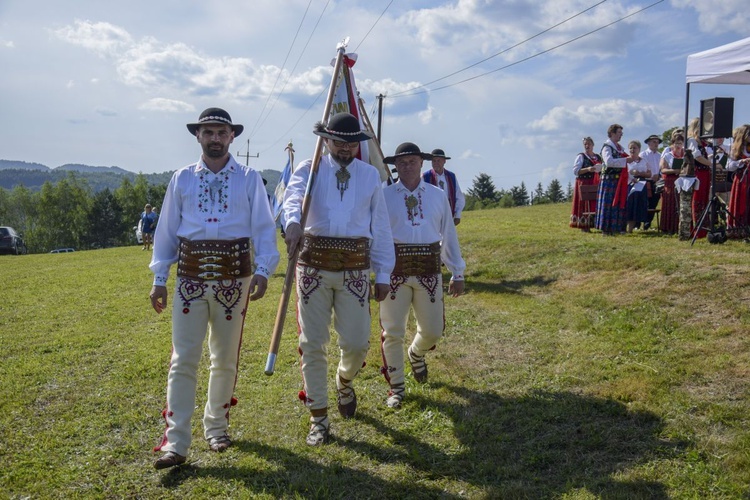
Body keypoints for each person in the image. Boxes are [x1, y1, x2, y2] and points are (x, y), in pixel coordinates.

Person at [148, 107, 280, 469]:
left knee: (224, 358)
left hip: (234, 279)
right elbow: (166, 231)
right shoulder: (182, 179)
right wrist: (160, 278)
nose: (215, 138)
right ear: (198, 136)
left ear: (232, 136)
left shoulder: (250, 178)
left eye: (221, 132)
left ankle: (217, 426)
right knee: (183, 359)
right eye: (208, 132)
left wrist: (265, 269)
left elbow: (264, 229)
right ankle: (175, 442)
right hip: (189, 279)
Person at [282, 112, 395, 446]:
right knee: (312, 343)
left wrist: (383, 271)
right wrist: (291, 223)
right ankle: (319, 417)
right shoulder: (310, 168)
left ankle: (344, 379)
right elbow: (292, 198)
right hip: (313, 267)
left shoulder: (370, 175)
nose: (344, 149)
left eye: (350, 143)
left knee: (358, 342)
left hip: (355, 269)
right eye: (338, 142)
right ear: (326, 140)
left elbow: (381, 225)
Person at [379, 143, 465, 408]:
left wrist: (457, 271)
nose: (407, 166)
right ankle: (396, 388)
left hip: (429, 268)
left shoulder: (438, 195)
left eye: (412, 161)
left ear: (422, 163)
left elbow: (448, 233)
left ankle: (416, 353)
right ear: (396, 166)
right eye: (402, 162)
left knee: (433, 330)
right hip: (395, 270)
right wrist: (378, 270)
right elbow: (379, 235)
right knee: (392, 332)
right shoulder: (384, 195)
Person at [596, 124, 639, 235]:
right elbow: (609, 162)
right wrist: (625, 160)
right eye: (619, 132)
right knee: (608, 204)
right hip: (608, 181)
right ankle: (606, 229)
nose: (621, 135)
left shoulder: (619, 148)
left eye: (621, 133)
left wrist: (631, 178)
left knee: (617, 204)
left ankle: (615, 228)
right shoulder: (607, 147)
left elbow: (623, 169)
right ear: (612, 133)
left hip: (618, 180)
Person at [422, 149, 466, 225]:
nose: (436, 163)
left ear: (444, 161)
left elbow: (459, 196)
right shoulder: (425, 177)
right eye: (434, 161)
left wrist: (457, 215)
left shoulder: (451, 176)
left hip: (448, 216)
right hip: (431, 218)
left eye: (438, 160)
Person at [687, 118, 714, 238]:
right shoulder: (691, 140)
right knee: (697, 200)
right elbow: (697, 157)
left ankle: (703, 227)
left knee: (704, 200)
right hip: (697, 173)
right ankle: (696, 228)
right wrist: (711, 163)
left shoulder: (703, 142)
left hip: (705, 173)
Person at [569, 137, 602, 231]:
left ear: (593, 144)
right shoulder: (581, 156)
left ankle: (595, 224)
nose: (587, 146)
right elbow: (576, 171)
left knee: (594, 203)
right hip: (584, 183)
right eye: (585, 144)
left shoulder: (598, 157)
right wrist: (588, 169)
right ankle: (584, 225)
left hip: (596, 182)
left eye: (589, 144)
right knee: (584, 204)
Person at [659, 133, 686, 235]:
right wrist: (674, 170)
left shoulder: (685, 155)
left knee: (680, 203)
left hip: (683, 180)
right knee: (670, 203)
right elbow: (663, 169)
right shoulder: (667, 155)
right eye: (676, 143)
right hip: (670, 181)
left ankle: (679, 227)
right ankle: (668, 227)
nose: (678, 145)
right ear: (673, 144)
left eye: (680, 143)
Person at [726, 124, 750, 239]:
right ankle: (738, 229)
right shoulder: (735, 148)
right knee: (741, 203)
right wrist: (742, 161)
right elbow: (729, 166)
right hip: (742, 180)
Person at [625, 140, 650, 233]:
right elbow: (624, 174)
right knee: (629, 206)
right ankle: (627, 228)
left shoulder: (643, 160)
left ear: (639, 149)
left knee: (638, 206)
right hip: (630, 184)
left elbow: (649, 173)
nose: (632, 150)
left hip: (641, 184)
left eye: (634, 148)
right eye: (630, 148)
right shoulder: (626, 161)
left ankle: (633, 227)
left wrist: (641, 173)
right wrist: (631, 178)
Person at [640, 135, 663, 229]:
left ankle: (648, 222)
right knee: (644, 202)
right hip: (646, 181)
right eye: (654, 142)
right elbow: (642, 166)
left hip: (657, 181)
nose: (656, 144)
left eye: (657, 142)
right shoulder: (643, 154)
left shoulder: (660, 155)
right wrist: (650, 174)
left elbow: (662, 167)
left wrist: (659, 175)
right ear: (648, 143)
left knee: (654, 202)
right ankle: (640, 221)